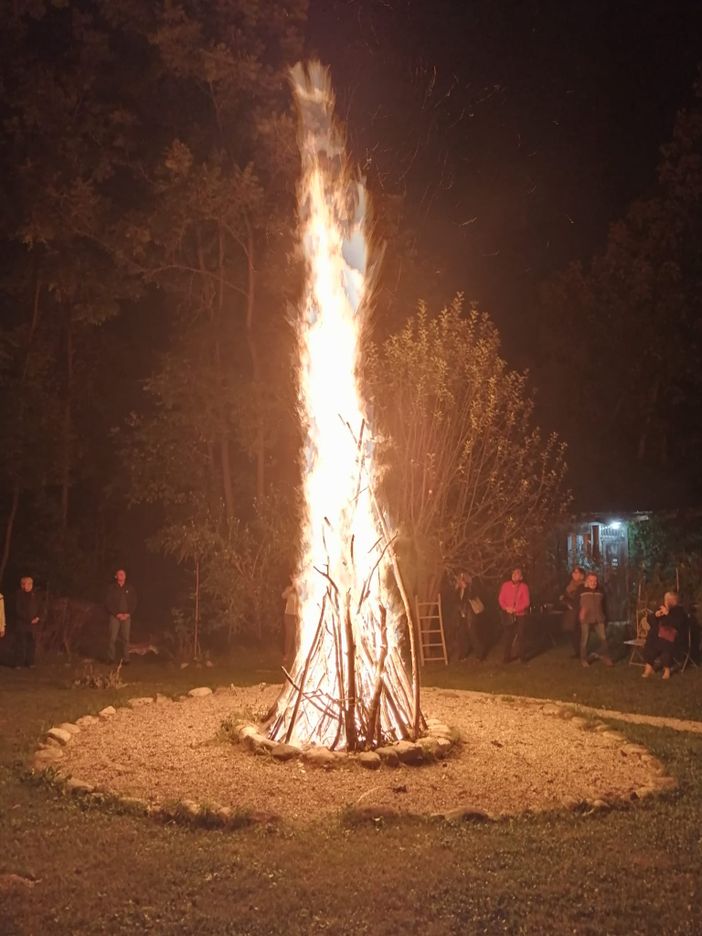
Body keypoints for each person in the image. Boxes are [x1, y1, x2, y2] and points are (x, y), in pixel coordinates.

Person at [642, 591, 688, 680]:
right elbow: (650, 621)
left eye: (668, 599)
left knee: (665, 642)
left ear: (674, 601)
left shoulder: (679, 611)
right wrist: (655, 615)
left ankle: (667, 669)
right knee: (652, 639)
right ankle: (648, 667)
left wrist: (667, 614)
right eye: (665, 599)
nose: (666, 601)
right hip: (659, 636)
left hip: (674, 638)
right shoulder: (662, 608)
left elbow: (678, 625)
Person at [578, 572, 613, 667]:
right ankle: (583, 660)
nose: (593, 583)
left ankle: (605, 657)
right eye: (591, 580)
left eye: (595, 581)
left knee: (604, 639)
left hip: (599, 618)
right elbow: (576, 603)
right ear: (587, 581)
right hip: (586, 619)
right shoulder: (581, 590)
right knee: (584, 640)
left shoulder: (600, 591)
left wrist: (606, 617)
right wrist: (580, 612)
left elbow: (604, 605)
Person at [105, 568, 137, 665]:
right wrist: (116, 614)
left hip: (126, 616)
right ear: (116, 576)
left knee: (126, 639)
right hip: (115, 616)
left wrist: (128, 613)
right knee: (112, 638)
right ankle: (110, 658)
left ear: (125, 576)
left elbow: (134, 602)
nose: (121, 575)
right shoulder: (112, 588)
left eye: (123, 574)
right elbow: (108, 602)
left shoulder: (130, 588)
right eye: (119, 574)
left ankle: (126, 659)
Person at [498, 567, 530, 663]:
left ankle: (522, 657)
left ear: (521, 577)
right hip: (508, 614)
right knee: (508, 636)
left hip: (520, 615)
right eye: (513, 573)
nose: (515, 575)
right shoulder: (505, 585)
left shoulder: (524, 587)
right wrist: (506, 608)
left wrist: (516, 609)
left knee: (521, 635)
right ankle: (506, 657)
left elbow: (527, 602)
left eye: (517, 574)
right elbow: (501, 599)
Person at [454, 571, 487, 661]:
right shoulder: (458, 590)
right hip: (462, 614)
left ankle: (480, 654)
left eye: (463, 579)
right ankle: (463, 654)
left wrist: (467, 588)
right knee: (462, 634)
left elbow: (473, 597)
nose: (461, 581)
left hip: (470, 613)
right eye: (460, 579)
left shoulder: (471, 588)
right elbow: (457, 601)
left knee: (473, 633)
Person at [15, 576, 41, 668]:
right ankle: (19, 663)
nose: (30, 586)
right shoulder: (18, 595)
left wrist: (38, 617)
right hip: (22, 624)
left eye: (31, 584)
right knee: (20, 644)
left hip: (33, 625)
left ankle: (30, 662)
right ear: (23, 585)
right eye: (28, 583)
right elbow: (18, 610)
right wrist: (28, 620)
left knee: (31, 644)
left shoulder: (35, 595)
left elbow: (39, 607)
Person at [561, 566, 586, 657]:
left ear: (582, 575)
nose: (574, 574)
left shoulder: (583, 585)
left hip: (578, 610)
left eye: (577, 572)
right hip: (570, 611)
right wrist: (564, 600)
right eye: (573, 572)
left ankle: (581, 651)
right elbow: (564, 596)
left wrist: (568, 601)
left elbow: (579, 599)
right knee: (571, 631)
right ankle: (577, 651)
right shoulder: (570, 585)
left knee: (578, 631)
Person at [281, 577, 299, 669]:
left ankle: (295, 657)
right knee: (289, 635)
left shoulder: (300, 590)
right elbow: (283, 596)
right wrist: (292, 587)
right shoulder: (289, 589)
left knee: (296, 636)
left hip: (297, 616)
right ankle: (286, 657)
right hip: (288, 615)